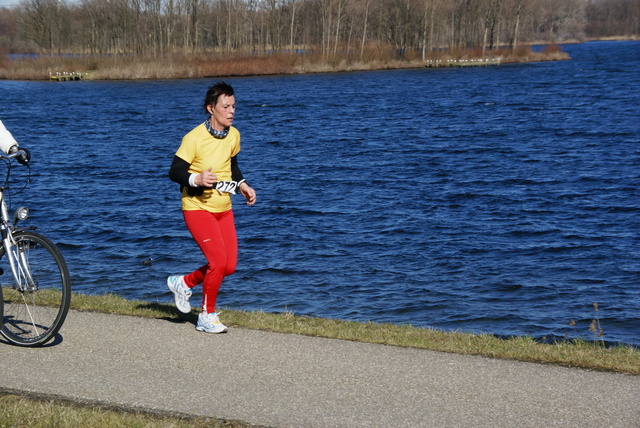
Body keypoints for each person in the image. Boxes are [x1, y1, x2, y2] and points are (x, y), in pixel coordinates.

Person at [168, 82, 256, 333]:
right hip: (197, 207)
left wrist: (243, 186)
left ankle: (184, 282)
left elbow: (232, 167)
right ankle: (206, 316)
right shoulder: (194, 138)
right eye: (225, 106)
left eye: (234, 106)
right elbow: (174, 172)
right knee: (217, 262)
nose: (231, 111)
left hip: (224, 208)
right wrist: (196, 179)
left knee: (228, 266)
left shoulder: (234, 135)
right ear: (211, 108)